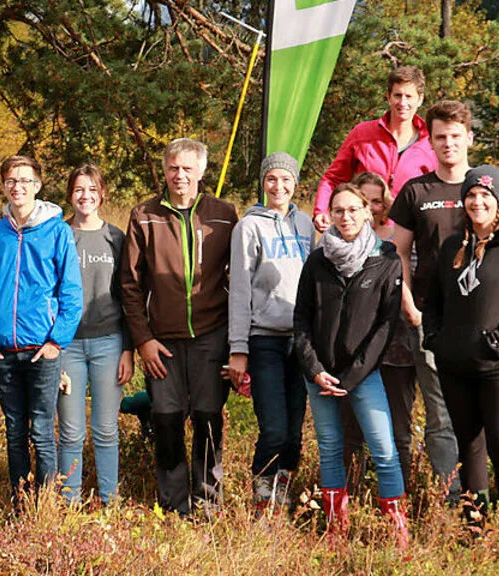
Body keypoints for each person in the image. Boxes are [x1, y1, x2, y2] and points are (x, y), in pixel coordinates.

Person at [390, 100, 499, 502]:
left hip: (498, 336)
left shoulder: (492, 185)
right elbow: (398, 251)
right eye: (440, 137)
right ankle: (456, 500)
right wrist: (412, 308)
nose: (448, 144)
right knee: (445, 420)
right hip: (437, 324)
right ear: (430, 141)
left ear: (470, 138)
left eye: (456, 136)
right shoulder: (416, 191)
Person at [121, 138, 239, 515]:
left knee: (207, 418)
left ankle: (208, 501)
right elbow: (130, 284)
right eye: (173, 167)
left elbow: (239, 279)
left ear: (202, 172)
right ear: (165, 170)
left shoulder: (223, 214)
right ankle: (173, 504)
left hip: (211, 336)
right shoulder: (144, 215)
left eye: (188, 168)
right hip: (162, 342)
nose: (180, 175)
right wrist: (143, 340)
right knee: (167, 418)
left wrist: (235, 343)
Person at [423, 165, 499, 526]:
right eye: (471, 195)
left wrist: (497, 344)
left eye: (486, 196)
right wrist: (437, 340)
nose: (478, 202)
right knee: (469, 447)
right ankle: (475, 523)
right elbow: (433, 302)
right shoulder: (451, 246)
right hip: (455, 366)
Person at [293, 183, 408, 546]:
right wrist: (315, 369)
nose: (346, 217)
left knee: (384, 450)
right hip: (320, 374)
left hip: (364, 375)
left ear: (368, 212)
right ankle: (335, 530)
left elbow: (386, 326)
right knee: (330, 450)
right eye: (338, 210)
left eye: (353, 209)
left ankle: (398, 533)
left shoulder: (386, 259)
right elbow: (301, 320)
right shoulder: (317, 260)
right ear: (330, 214)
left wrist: (353, 375)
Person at [0, 156, 83, 504]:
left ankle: (45, 504)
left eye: (25, 180)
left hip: (42, 348)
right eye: (11, 180)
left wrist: (57, 341)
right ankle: (19, 502)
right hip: (4, 349)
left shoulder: (57, 230)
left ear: (37, 186)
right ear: (4, 186)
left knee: (41, 430)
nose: (17, 187)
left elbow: (71, 292)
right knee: (14, 431)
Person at [227, 152, 314, 513]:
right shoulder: (248, 227)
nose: (278, 186)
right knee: (274, 428)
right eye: (271, 179)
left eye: (286, 180)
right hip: (264, 339)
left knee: (294, 433)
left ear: (296, 184)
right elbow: (241, 289)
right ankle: (262, 497)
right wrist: (238, 347)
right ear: (262, 183)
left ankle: (283, 492)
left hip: (302, 340)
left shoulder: (307, 226)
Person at [56, 164, 134, 505]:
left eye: (91, 189)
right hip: (66, 345)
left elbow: (129, 295)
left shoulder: (116, 238)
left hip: (109, 343)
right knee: (70, 431)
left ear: (102, 194)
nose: (85, 196)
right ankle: (69, 500)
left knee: (105, 430)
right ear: (70, 194)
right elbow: (48, 292)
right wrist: (52, 348)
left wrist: (128, 350)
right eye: (78, 189)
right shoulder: (58, 235)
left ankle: (109, 500)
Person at [340, 172, 417, 486]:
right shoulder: (339, 240)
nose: (370, 208)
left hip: (397, 346)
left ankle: (401, 493)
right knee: (351, 426)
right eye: (364, 201)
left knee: (398, 425)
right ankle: (350, 490)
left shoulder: (398, 239)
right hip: (354, 348)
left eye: (377, 201)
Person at [313, 65, 436, 232]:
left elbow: (441, 189)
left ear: (420, 99)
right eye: (397, 95)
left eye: (409, 96)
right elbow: (333, 178)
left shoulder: (430, 141)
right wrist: (321, 210)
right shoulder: (362, 133)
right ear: (388, 97)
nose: (403, 103)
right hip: (361, 233)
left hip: (410, 235)